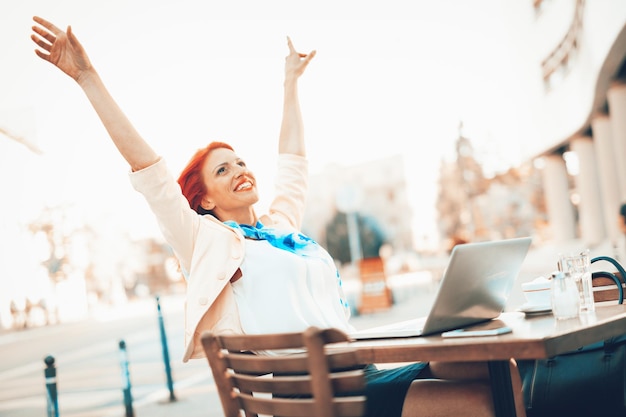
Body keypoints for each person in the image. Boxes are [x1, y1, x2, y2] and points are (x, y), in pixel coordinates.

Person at [30, 16, 526, 417]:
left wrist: (290, 84)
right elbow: (150, 171)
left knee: (486, 366)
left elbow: (292, 164)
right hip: (307, 396)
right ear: (204, 200)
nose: (240, 169)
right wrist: (88, 78)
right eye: (223, 170)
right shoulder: (204, 240)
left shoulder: (279, 230)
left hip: (357, 371)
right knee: (474, 401)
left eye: (241, 161)